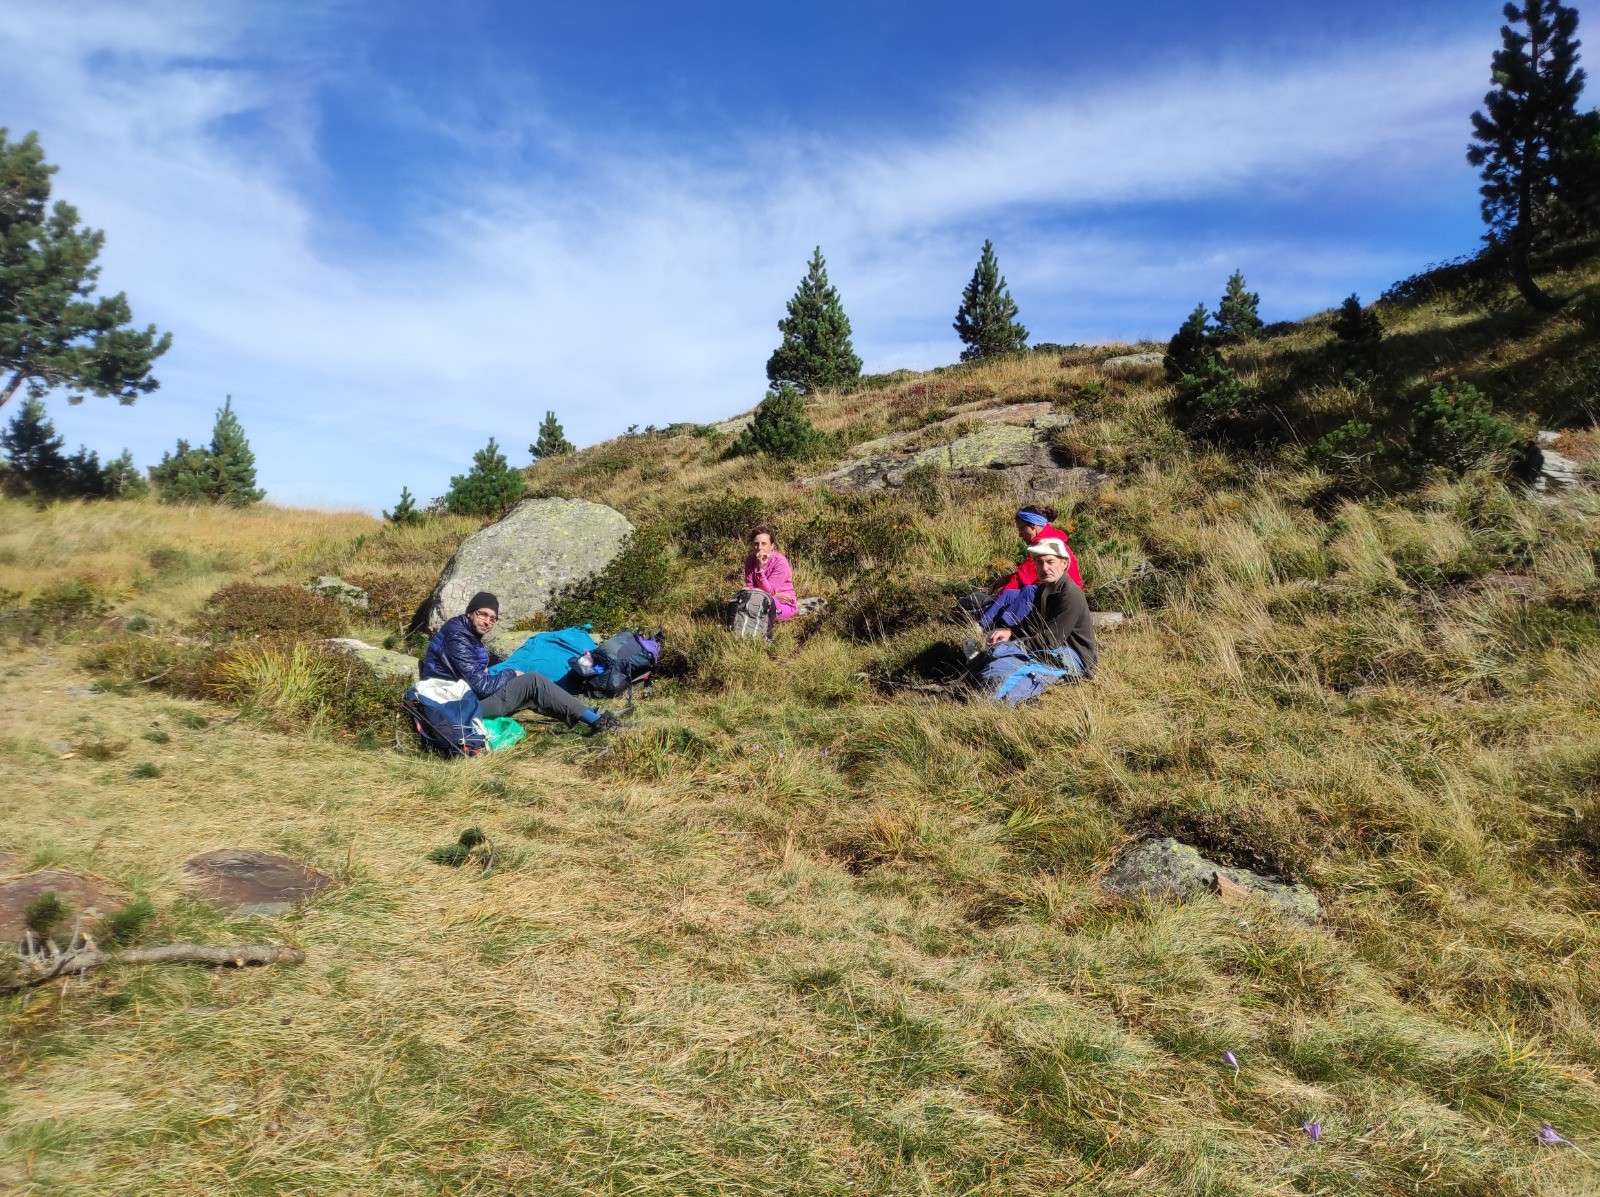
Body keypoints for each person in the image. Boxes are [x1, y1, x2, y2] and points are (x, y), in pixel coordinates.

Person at [421, 592, 623, 732]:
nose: (487, 622)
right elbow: (482, 687)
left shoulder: (463, 631)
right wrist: (511, 674)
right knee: (532, 681)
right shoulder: (458, 638)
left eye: (493, 618)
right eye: (483, 614)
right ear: (470, 612)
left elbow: (473, 675)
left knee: (530, 688)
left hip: (459, 697)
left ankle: (587, 713)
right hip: (453, 707)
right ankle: (598, 722)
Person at [985, 537, 1098, 680]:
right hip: (1053, 650)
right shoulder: (1043, 589)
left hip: (1076, 658)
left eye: (1050, 562)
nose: (1045, 568)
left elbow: (1050, 640)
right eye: (1039, 562)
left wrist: (1013, 646)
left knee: (1014, 663)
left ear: (1064, 563)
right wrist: (1010, 633)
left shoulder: (1070, 595)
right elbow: (1031, 624)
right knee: (1001, 654)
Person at [960, 506, 1083, 630]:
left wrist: (999, 594)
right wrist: (1005, 581)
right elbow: (1026, 574)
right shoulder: (1046, 540)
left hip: (1064, 596)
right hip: (1050, 591)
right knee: (1010, 594)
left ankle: (1004, 628)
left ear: (1033, 526)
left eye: (1021, 529)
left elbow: (1022, 579)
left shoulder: (1046, 546)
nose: (1019, 534)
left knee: (1029, 590)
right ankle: (981, 625)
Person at [742, 525, 798, 622]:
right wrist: (773, 596)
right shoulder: (750, 560)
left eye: (764, 544)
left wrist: (759, 569)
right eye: (756, 544)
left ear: (771, 546)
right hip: (766, 598)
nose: (759, 547)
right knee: (742, 596)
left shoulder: (780, 561)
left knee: (759, 604)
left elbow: (771, 590)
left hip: (783, 603)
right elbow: (749, 588)